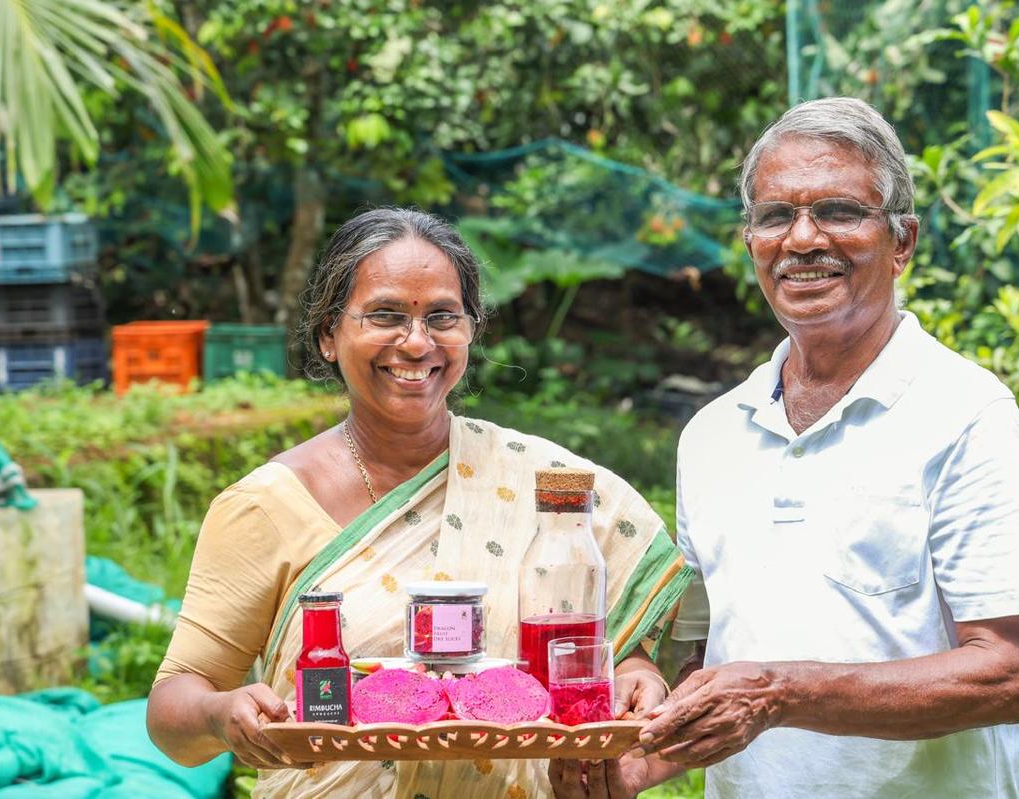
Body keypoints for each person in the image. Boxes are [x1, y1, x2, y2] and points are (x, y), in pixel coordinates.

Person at [556, 97, 1019, 799]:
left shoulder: (967, 416)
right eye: (774, 216)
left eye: (839, 211)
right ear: (751, 241)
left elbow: (1002, 675)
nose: (802, 238)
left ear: (903, 241)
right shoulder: (714, 433)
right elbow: (708, 656)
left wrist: (777, 692)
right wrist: (643, 762)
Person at [146, 207, 694, 798]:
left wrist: (639, 679)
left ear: (469, 331)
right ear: (329, 334)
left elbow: (634, 658)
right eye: (385, 315)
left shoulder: (548, 486)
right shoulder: (265, 505)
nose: (416, 342)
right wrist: (219, 714)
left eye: (442, 317)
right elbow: (173, 707)